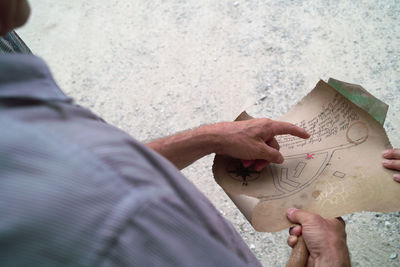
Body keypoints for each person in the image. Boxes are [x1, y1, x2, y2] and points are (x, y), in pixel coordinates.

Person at [0, 1, 396, 266]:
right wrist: (333, 259)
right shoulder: (126, 215)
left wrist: (207, 138)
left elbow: (94, 167)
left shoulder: (14, 85)